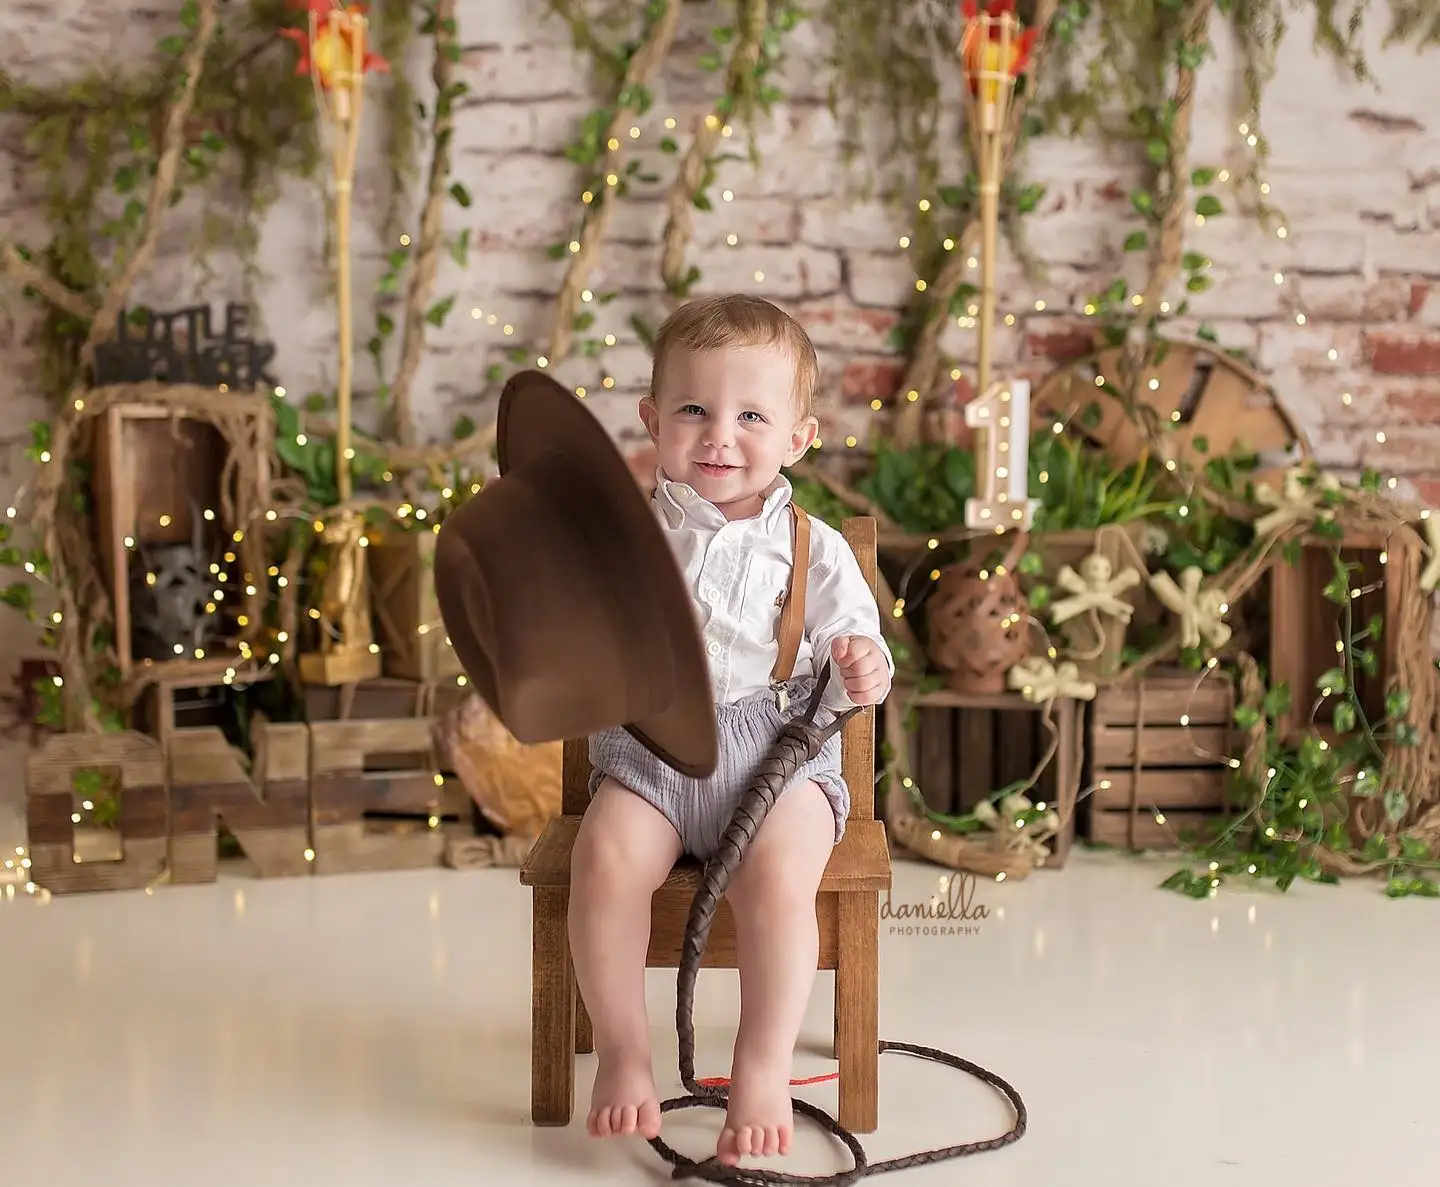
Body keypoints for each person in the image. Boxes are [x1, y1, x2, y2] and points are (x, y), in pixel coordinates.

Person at [567, 294, 894, 1166]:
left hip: (775, 760)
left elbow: (856, 643)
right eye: (693, 409)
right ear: (652, 421)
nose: (719, 435)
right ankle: (624, 1051)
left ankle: (761, 1064)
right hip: (652, 756)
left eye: (751, 416)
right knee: (603, 862)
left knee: (780, 878)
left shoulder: (814, 547)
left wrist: (861, 662)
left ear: (798, 437)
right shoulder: (627, 538)